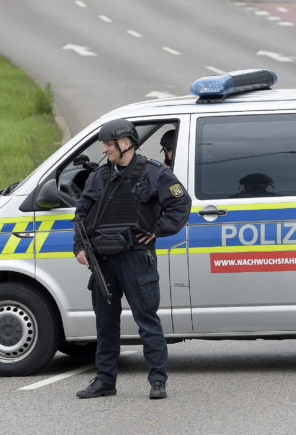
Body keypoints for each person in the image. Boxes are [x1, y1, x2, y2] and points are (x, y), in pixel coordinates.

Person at [73, 119, 191, 401]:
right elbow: (81, 214)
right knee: (105, 324)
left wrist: (156, 231)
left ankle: (158, 381)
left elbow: (180, 204)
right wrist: (80, 248)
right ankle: (105, 381)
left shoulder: (153, 173)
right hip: (103, 261)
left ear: (126, 143)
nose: (104, 149)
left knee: (147, 320)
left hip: (137, 258)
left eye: (109, 144)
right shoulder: (98, 177)